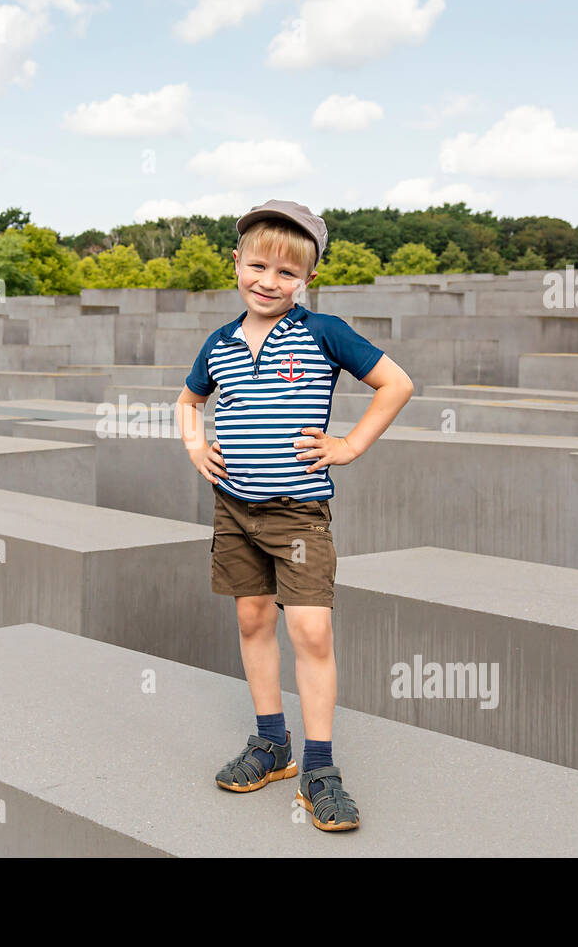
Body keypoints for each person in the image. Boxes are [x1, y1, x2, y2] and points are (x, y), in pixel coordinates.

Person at [175, 199, 413, 832]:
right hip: (234, 510)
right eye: (257, 266)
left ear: (307, 278)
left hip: (298, 514)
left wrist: (350, 445)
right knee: (253, 619)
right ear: (236, 263)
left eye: (287, 274)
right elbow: (188, 400)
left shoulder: (323, 331)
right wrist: (196, 443)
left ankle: (320, 768)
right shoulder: (220, 343)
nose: (269, 282)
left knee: (310, 633)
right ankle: (270, 743)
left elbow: (397, 384)